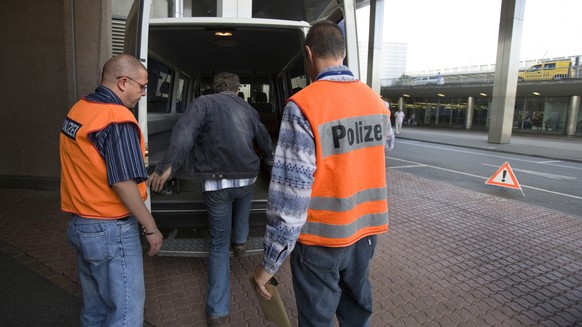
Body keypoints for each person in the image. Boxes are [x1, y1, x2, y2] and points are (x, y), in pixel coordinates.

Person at [252, 20, 394, 326]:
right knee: (357, 312)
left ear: (308, 53)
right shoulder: (377, 103)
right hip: (365, 235)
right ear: (342, 53)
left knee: (318, 319)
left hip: (321, 240)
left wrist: (269, 263)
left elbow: (292, 196)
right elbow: (384, 147)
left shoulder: (303, 105)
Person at [148, 72, 272, 326]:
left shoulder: (203, 103)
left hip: (216, 183)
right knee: (244, 201)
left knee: (217, 245)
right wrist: (269, 158)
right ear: (237, 90)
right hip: (247, 176)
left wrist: (167, 166)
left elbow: (184, 135)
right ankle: (240, 241)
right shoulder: (247, 108)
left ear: (214, 88)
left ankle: (218, 312)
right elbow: (262, 138)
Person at [60, 54, 163, 326]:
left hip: (81, 224)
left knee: (95, 310)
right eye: (141, 86)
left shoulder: (80, 109)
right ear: (122, 82)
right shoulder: (116, 119)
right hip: (110, 229)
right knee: (125, 315)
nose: (143, 93)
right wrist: (150, 227)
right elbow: (121, 183)